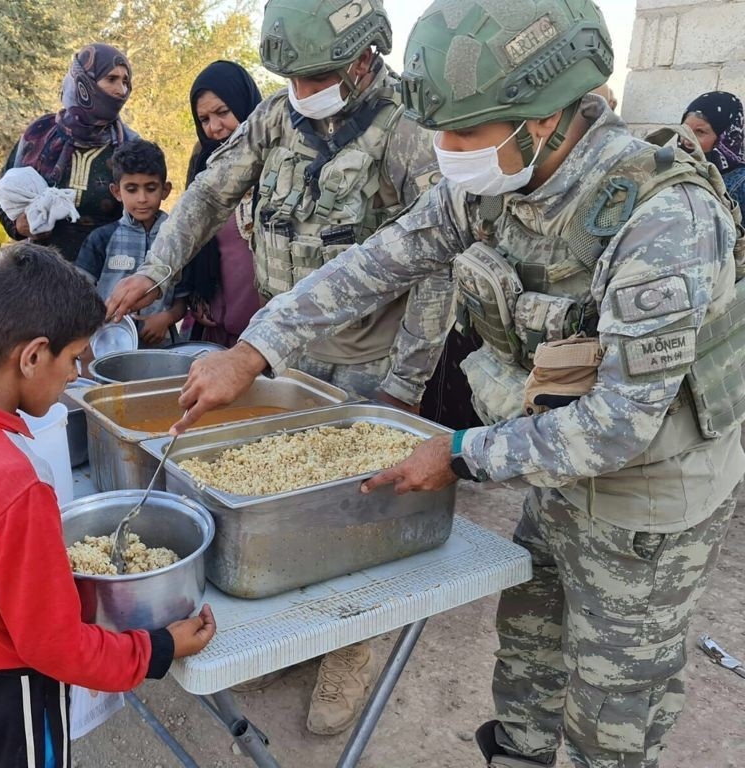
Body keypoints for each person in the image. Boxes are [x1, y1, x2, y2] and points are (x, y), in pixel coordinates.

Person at [167, 1, 745, 766]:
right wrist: (256, 350)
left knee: (613, 712)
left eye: (463, 134)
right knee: (529, 660)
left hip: (648, 503)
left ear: (543, 118)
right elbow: (377, 262)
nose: (444, 152)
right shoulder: (500, 175)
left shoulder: (664, 218)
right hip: (552, 465)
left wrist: (461, 453)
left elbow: (619, 426)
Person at [106, 0, 451, 737]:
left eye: (315, 76)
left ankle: (351, 647)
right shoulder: (275, 117)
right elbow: (210, 193)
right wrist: (157, 269)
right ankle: (303, 630)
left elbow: (438, 267)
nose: (301, 92)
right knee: (289, 504)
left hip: (367, 364)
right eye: (291, 78)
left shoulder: (406, 129)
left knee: (360, 515)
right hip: (281, 352)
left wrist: (405, 386)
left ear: (364, 58)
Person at [0, 243, 216, 767]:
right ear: (32, 356)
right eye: (73, 359)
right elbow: (53, 644)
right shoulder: (14, 484)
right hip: (13, 689)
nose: (75, 375)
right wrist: (158, 648)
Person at [0, 43, 137, 261]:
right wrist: (17, 225)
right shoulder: (40, 133)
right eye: (111, 79)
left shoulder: (129, 145)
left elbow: (145, 212)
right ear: (83, 81)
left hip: (107, 270)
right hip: (41, 270)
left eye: (125, 82)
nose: (121, 90)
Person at [182, 60, 263, 348]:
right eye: (204, 119)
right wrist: (197, 293)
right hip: (219, 327)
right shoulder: (204, 164)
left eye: (223, 112)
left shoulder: (278, 160)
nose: (214, 128)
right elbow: (192, 233)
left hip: (271, 330)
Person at [76, 140, 188, 347]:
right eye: (131, 189)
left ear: (165, 190)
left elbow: (182, 299)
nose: (142, 198)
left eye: (151, 188)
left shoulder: (176, 240)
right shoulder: (102, 239)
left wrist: (165, 318)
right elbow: (79, 295)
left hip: (160, 345)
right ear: (116, 192)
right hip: (109, 344)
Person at [683, 91, 745, 211]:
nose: (687, 140)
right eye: (685, 130)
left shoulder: (740, 184)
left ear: (725, 137)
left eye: (700, 132)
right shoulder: (674, 169)